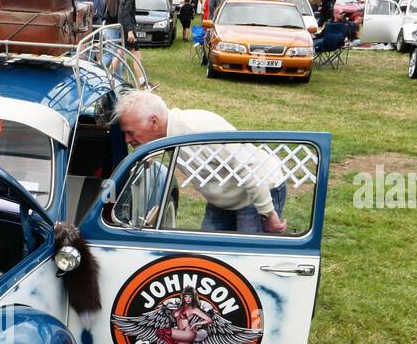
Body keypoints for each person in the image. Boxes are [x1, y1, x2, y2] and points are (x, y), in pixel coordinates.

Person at [113, 89, 288, 235]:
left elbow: (249, 168)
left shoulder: (200, 131)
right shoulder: (164, 133)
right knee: (207, 253)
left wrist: (269, 215)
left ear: (154, 122)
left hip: (258, 190)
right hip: (225, 196)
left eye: (130, 132)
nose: (127, 139)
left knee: (245, 257)